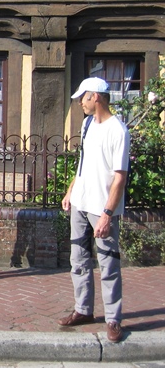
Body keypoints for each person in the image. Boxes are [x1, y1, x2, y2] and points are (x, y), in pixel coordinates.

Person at [59, 77, 130, 343]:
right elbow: (82, 163)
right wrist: (70, 191)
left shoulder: (118, 131)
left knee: (108, 262)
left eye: (83, 98)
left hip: (102, 208)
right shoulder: (88, 124)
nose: (80, 103)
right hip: (80, 202)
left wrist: (108, 215)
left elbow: (120, 177)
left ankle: (113, 318)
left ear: (96, 97)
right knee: (77, 259)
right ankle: (83, 310)